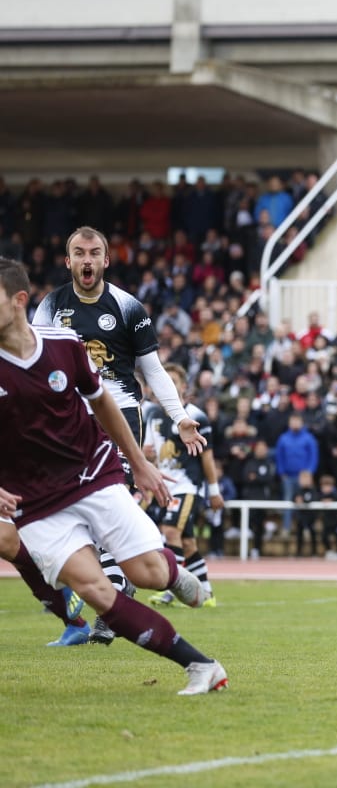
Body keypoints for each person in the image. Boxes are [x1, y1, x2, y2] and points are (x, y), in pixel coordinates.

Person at [0, 258, 226, 695]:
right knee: (97, 590)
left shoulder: (63, 345)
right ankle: (202, 667)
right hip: (37, 505)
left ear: (18, 301)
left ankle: (172, 573)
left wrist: (139, 464)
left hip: (92, 475)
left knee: (147, 573)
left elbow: (102, 401)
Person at [23, 226, 205, 646]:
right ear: (68, 261)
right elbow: (33, 362)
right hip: (66, 420)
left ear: (106, 260)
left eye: (95, 253)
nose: (87, 260)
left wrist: (178, 417)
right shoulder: (50, 306)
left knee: (111, 502)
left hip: (118, 414)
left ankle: (114, 603)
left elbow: (153, 370)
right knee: (71, 511)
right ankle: (112, 593)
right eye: (79, 253)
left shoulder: (127, 307)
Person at [142, 364, 222, 608]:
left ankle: (170, 588)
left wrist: (214, 491)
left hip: (188, 486)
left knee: (170, 530)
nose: (167, 386)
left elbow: (207, 457)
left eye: (174, 381)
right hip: (164, 486)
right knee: (187, 542)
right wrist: (146, 455)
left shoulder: (195, 416)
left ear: (184, 386)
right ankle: (207, 594)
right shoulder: (153, 415)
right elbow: (152, 456)